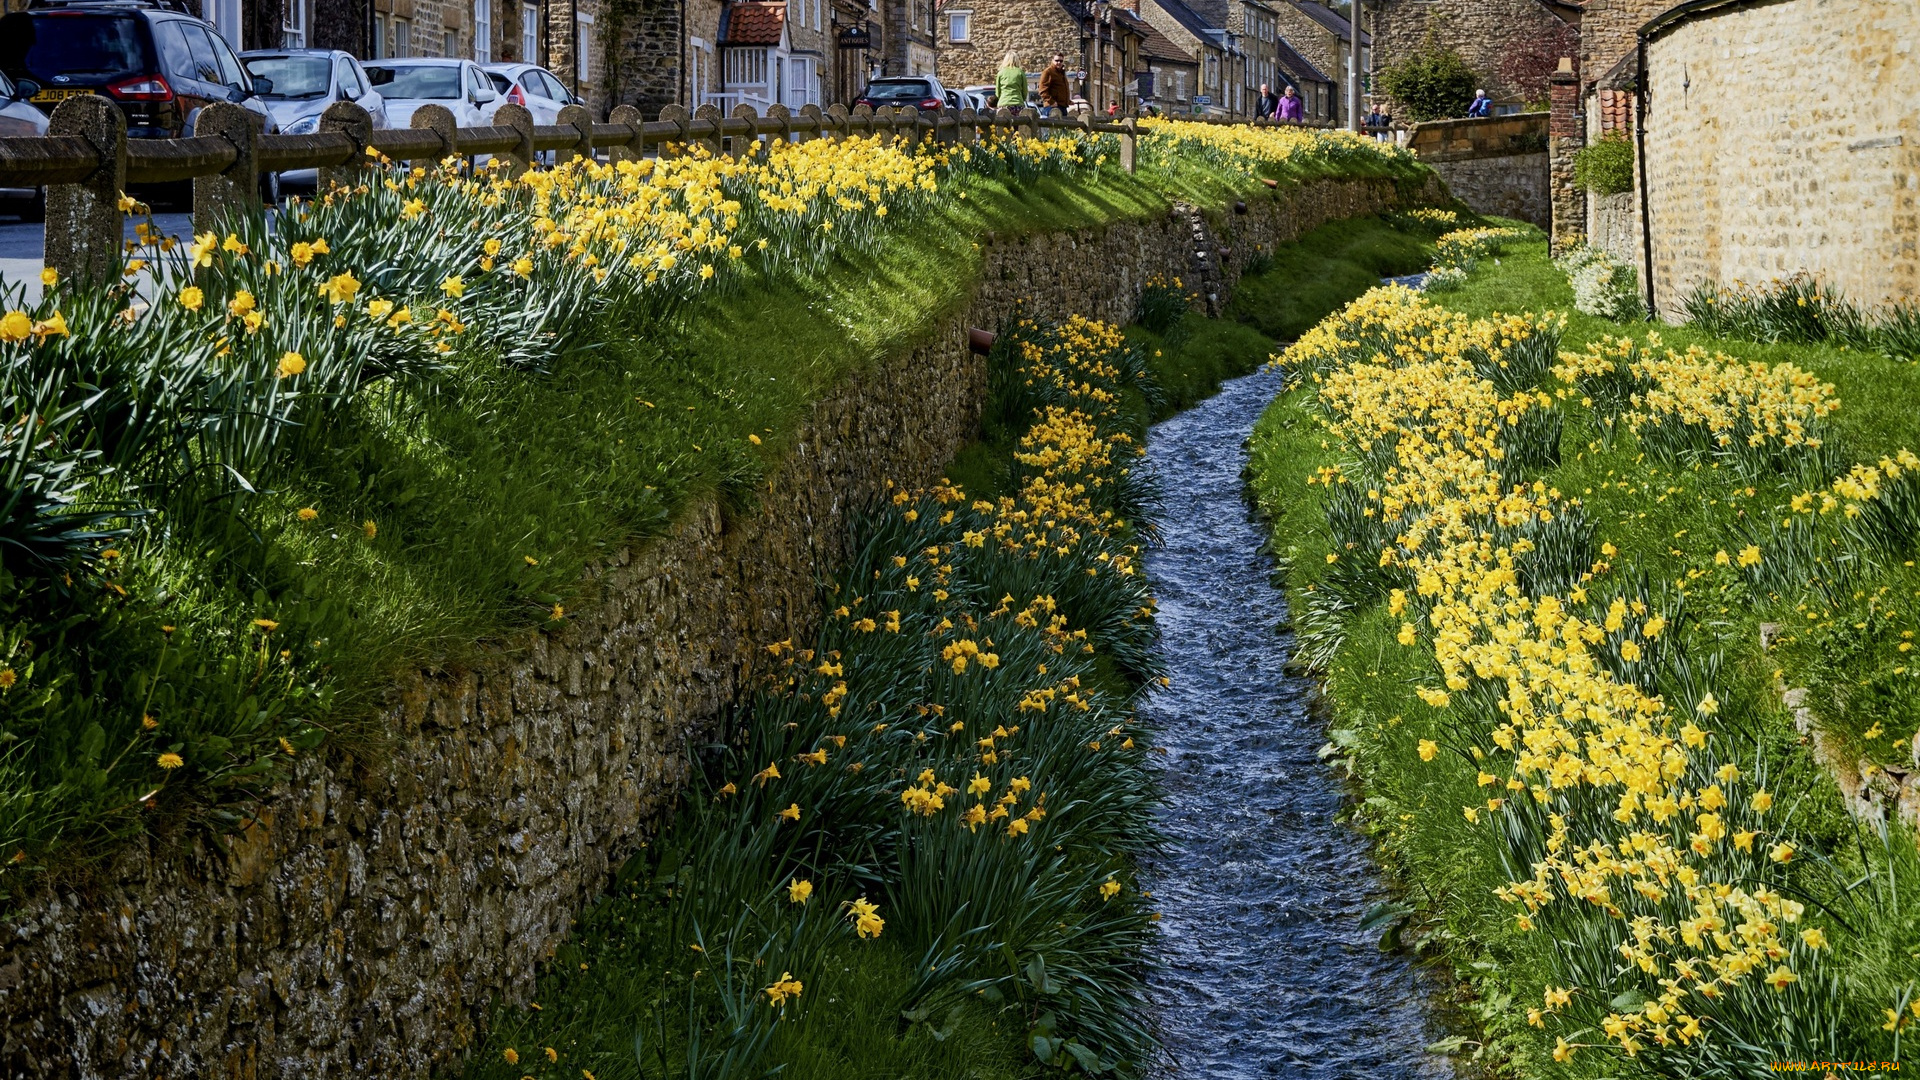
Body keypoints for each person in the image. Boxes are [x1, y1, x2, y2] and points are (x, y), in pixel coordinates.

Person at [1038, 53, 1072, 118]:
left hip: (1062, 107)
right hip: (1051, 107)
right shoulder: (1048, 72)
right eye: (1056, 60)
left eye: (1061, 61)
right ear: (1052, 60)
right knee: (1053, 127)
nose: (1059, 62)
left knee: (1063, 127)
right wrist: (1052, 102)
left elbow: (1060, 90)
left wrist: (1068, 101)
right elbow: (1042, 90)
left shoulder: (1061, 73)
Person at [995, 50, 1027, 115]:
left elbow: (997, 92)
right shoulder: (1020, 72)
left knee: (1003, 125)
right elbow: (1024, 91)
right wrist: (1022, 99)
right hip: (1017, 103)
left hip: (1003, 103)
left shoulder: (1000, 73)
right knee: (1018, 124)